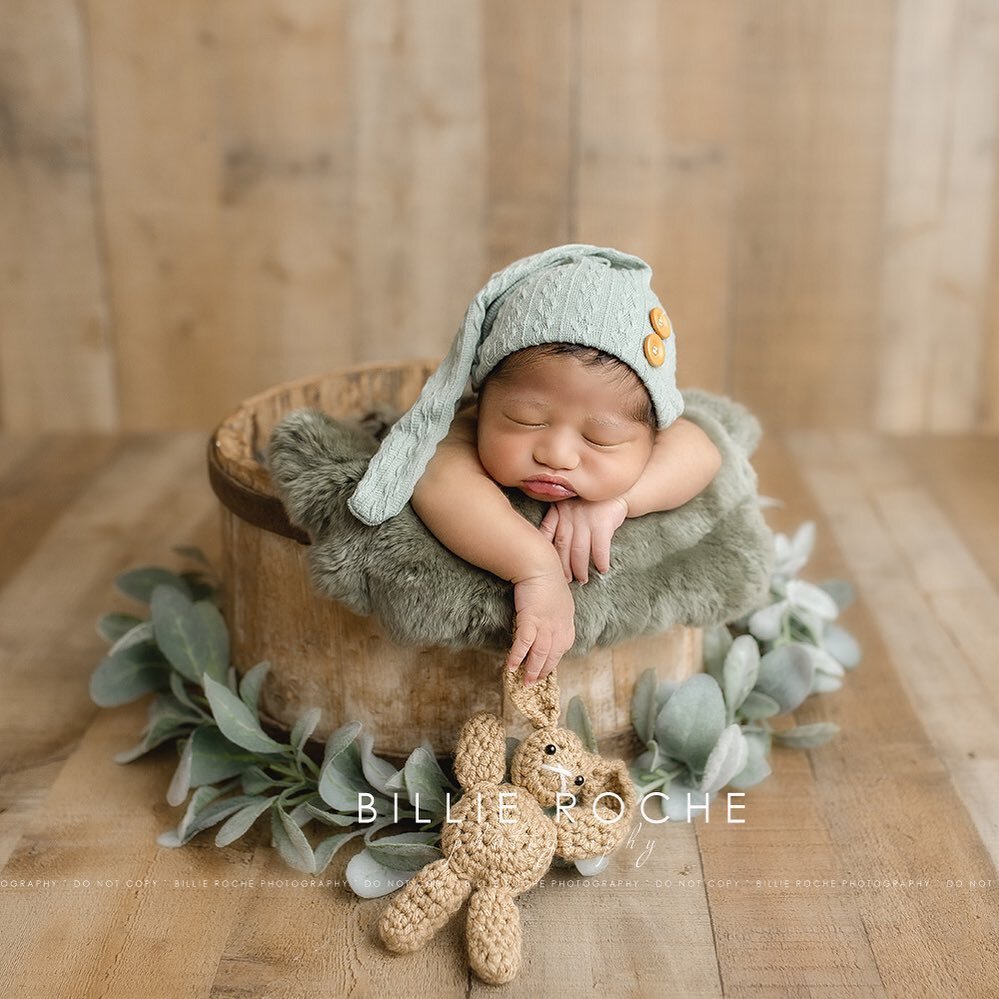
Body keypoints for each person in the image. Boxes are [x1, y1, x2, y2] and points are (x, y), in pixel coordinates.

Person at [347, 245, 721, 685]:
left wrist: (620, 502)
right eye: (525, 420)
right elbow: (436, 479)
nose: (556, 456)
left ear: (654, 433)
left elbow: (703, 452)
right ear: (482, 402)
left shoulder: (664, 431)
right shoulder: (463, 430)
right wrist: (536, 569)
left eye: (601, 438)